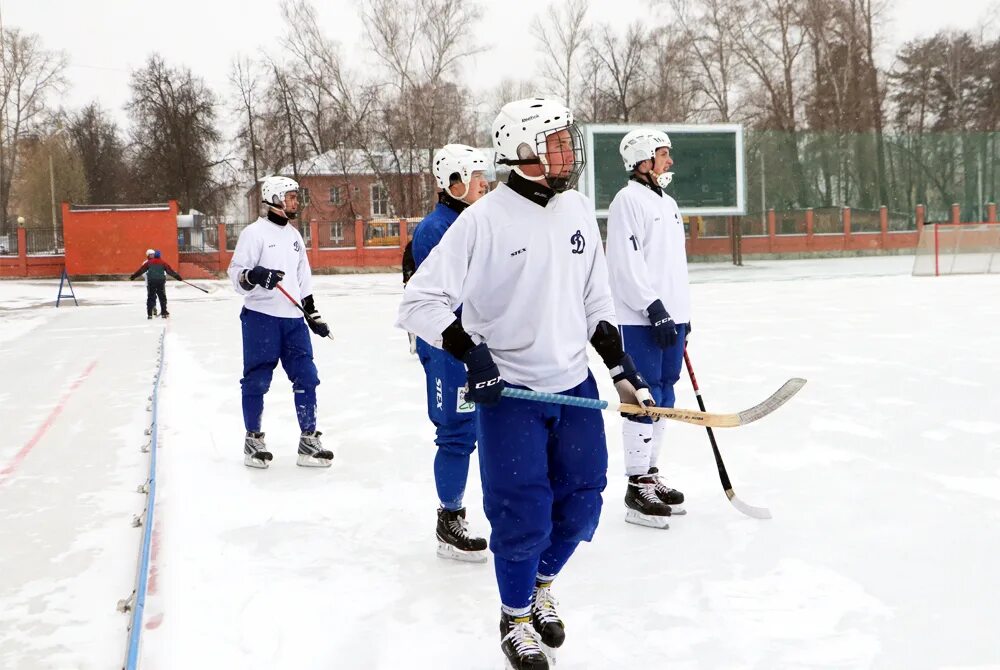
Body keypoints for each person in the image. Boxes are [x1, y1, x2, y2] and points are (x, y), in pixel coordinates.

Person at [398, 98, 653, 670]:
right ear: (522, 152)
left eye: (567, 140)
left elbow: (596, 297)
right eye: (556, 141)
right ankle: (514, 617)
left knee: (584, 504)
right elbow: (419, 302)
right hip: (510, 394)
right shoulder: (481, 221)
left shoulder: (579, 209)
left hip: (574, 387)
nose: (568, 151)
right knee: (523, 515)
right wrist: (471, 354)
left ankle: (541, 585)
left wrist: (620, 369)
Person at [605, 128, 690, 529]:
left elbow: (671, 265)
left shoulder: (668, 202)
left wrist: (681, 316)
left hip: (672, 317)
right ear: (643, 158)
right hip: (642, 318)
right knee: (643, 394)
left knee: (666, 393)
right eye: (663, 154)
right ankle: (636, 484)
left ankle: (651, 473)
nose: (669, 161)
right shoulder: (627, 201)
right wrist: (652, 307)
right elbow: (624, 263)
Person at [411, 143, 491, 563]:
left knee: (484, 430)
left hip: (479, 347)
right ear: (453, 182)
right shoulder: (434, 229)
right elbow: (434, 300)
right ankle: (450, 518)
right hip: (450, 351)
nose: (484, 182)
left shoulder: (477, 221)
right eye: (476, 176)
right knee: (457, 433)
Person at [228, 175, 334, 469]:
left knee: (307, 376)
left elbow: (303, 279)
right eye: (290, 197)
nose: (295, 202)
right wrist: (255, 275)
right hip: (261, 318)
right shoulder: (254, 234)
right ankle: (253, 440)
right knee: (258, 379)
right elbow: (236, 273)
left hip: (293, 321)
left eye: (296, 197)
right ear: (274, 198)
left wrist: (312, 314)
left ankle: (308, 441)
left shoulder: (295, 237)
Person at [130, 249, 181, 319]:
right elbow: (170, 271)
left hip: (151, 282)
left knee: (151, 297)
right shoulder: (163, 262)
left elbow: (141, 270)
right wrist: (178, 277)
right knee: (162, 297)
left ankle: (149, 314)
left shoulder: (149, 263)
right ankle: (164, 313)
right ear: (160, 256)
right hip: (160, 282)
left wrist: (133, 276)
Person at [402, 240, 418, 354]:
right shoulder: (413, 245)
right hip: (416, 284)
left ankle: (414, 338)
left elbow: (407, 263)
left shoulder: (412, 245)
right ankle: (414, 339)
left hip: (415, 283)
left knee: (413, 312)